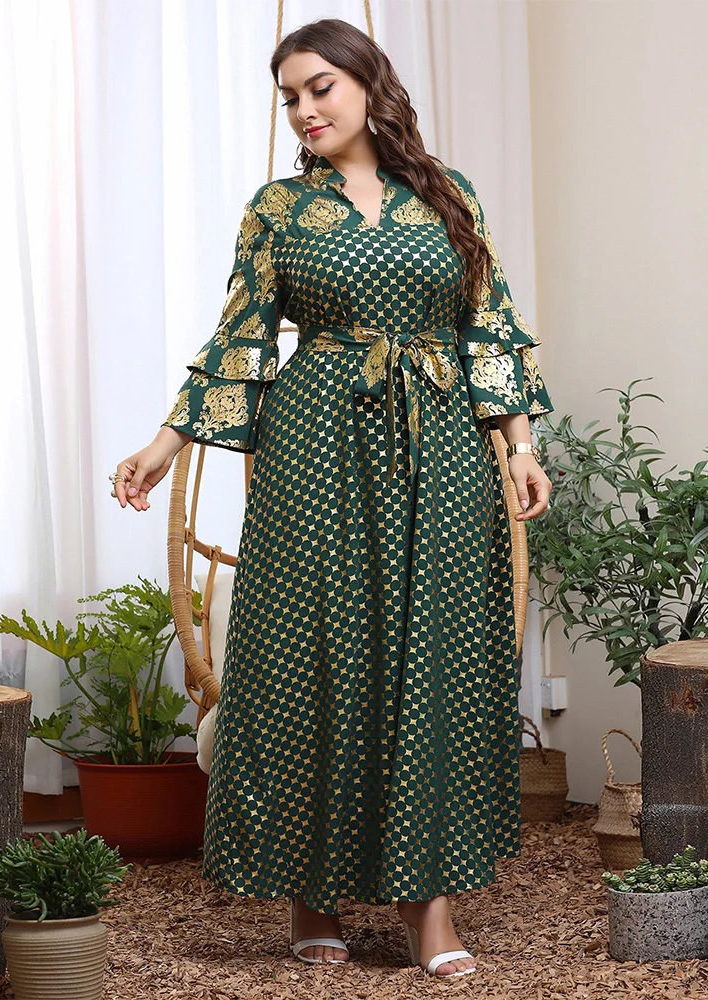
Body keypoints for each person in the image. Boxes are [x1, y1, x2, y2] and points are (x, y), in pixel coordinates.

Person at [111, 18, 554, 979]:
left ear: (367, 83)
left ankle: (429, 906)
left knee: (439, 656)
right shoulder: (277, 208)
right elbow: (239, 339)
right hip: (316, 446)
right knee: (310, 653)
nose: (305, 110)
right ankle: (311, 896)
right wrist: (163, 444)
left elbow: (489, 327)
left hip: (442, 446)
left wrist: (520, 445)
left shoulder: (448, 194)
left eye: (320, 88)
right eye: (290, 98)